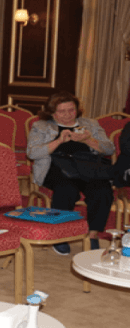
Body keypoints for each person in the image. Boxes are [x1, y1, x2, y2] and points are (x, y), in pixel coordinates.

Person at [27, 92, 114, 254]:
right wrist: (59, 141)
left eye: (71, 110)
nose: (67, 114)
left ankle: (92, 235)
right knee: (66, 189)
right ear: (52, 113)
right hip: (55, 168)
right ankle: (61, 235)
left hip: (87, 168)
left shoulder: (91, 124)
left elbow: (109, 149)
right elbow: (32, 153)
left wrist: (88, 140)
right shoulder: (41, 126)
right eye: (62, 111)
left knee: (102, 190)